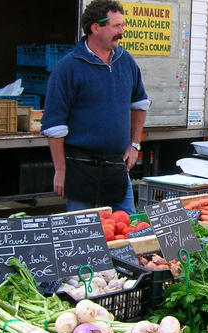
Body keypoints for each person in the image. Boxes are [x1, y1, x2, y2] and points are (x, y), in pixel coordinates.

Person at [41, 0, 150, 215]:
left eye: (122, 26)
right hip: (80, 168)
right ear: (95, 27)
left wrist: (135, 145)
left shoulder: (126, 61)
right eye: (116, 26)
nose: (122, 32)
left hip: (118, 166)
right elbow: (54, 126)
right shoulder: (67, 68)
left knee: (130, 232)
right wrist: (60, 171)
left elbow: (140, 103)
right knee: (81, 235)